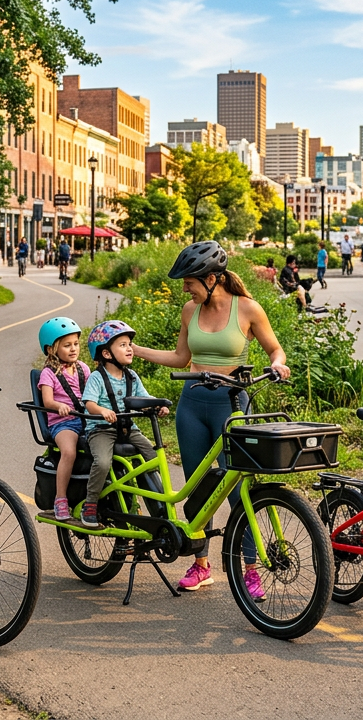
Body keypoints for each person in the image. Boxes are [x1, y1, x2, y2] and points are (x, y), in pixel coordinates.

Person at [131, 241, 291, 598]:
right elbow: (180, 357)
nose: (184, 289)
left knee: (238, 489)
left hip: (231, 405)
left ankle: (250, 569)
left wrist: (278, 364)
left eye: (189, 282)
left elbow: (275, 349)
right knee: (199, 488)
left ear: (212, 278)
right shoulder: (190, 310)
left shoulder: (247, 308)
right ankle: (201, 565)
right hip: (192, 405)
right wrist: (136, 350)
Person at [79, 320, 167, 528]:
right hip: (101, 430)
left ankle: (157, 504)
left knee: (153, 458)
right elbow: (89, 403)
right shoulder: (97, 377)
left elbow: (143, 398)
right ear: (107, 353)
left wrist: (157, 405)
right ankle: (90, 504)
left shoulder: (131, 376)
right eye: (123, 345)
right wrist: (102, 411)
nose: (129, 349)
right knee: (102, 462)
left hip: (128, 428)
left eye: (129, 344)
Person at [37, 318, 91, 521]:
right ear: (52, 349)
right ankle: (60, 499)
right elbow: (47, 400)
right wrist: (58, 406)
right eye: (67, 345)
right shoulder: (48, 373)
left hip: (86, 419)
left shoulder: (83, 368)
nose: (73, 349)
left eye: (76, 344)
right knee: (69, 452)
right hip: (63, 423)